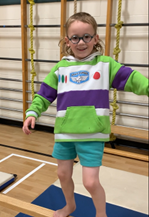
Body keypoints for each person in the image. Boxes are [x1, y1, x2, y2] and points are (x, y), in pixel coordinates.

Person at [22, 12, 149, 217]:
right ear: (67, 41)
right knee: (62, 174)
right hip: (65, 133)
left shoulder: (105, 65)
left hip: (92, 134)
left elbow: (133, 79)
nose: (81, 42)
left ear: (95, 39)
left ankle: (101, 214)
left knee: (90, 182)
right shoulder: (60, 69)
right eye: (75, 37)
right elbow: (44, 95)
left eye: (87, 36)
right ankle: (70, 205)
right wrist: (32, 113)